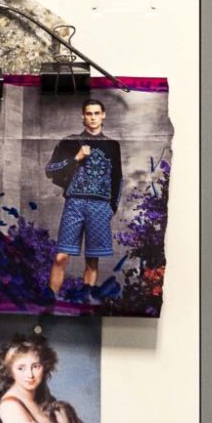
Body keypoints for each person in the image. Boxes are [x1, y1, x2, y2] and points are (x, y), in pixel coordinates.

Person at [46, 96, 124, 296]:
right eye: (89, 113)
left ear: (103, 116)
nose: (93, 117)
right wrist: (76, 158)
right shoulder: (70, 142)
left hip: (100, 206)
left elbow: (118, 178)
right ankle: (50, 301)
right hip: (75, 203)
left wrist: (111, 207)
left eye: (97, 113)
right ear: (83, 116)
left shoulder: (113, 145)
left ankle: (85, 302)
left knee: (92, 260)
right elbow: (51, 169)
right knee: (61, 257)